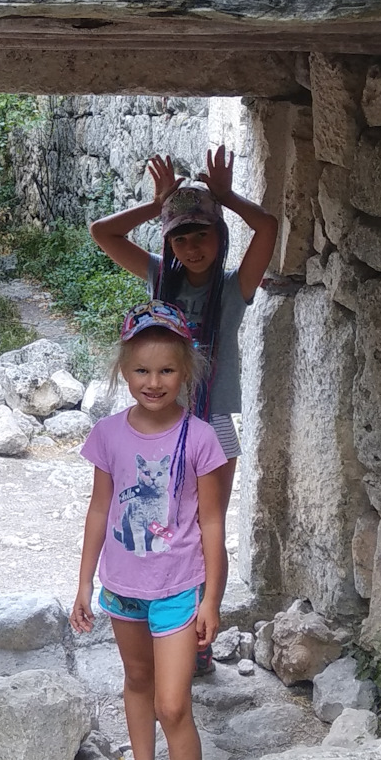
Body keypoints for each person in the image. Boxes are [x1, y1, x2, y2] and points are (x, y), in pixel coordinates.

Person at [90, 145, 279, 671]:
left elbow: (267, 229)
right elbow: (103, 233)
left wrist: (226, 197)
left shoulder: (233, 288)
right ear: (168, 242)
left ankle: (197, 637)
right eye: (181, 237)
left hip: (212, 422)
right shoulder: (159, 278)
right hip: (159, 424)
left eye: (202, 234)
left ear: (220, 236)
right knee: (160, 526)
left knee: (202, 528)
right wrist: (158, 206)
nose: (192, 247)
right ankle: (160, 626)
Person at [70, 302, 228, 760]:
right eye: (141, 370)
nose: (153, 381)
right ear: (123, 370)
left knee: (173, 703)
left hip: (178, 588)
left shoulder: (201, 437)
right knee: (136, 681)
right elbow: (99, 508)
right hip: (123, 586)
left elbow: (212, 522)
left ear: (186, 370)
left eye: (166, 370)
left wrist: (212, 598)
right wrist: (84, 582)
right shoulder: (108, 434)